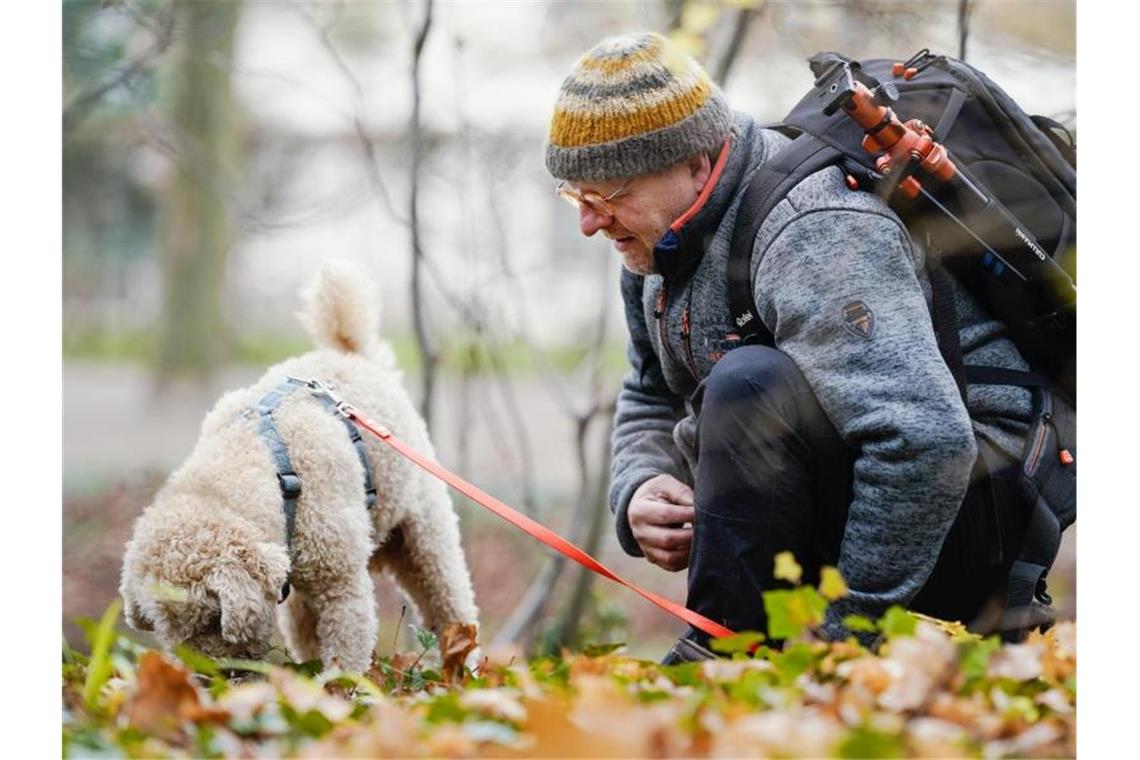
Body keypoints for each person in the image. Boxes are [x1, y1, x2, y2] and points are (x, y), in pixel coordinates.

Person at [544, 32, 1041, 662]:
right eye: (575, 195)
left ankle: (721, 657)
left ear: (697, 160)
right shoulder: (652, 244)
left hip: (973, 510)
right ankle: (739, 647)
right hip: (870, 498)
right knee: (746, 383)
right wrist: (640, 486)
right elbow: (649, 387)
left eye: (608, 194)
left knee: (749, 383)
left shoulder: (814, 230)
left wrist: (842, 638)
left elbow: (925, 443)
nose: (589, 223)